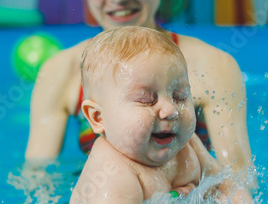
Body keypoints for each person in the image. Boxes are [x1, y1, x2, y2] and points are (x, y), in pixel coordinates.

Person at [64, 26, 268, 204]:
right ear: (98, 118)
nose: (170, 110)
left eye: (180, 95)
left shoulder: (186, 145)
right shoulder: (112, 172)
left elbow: (225, 185)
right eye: (146, 99)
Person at [26, 0, 254, 189]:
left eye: (179, 95)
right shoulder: (59, 71)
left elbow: (240, 177)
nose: (119, 1)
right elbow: (38, 177)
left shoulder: (212, 65)